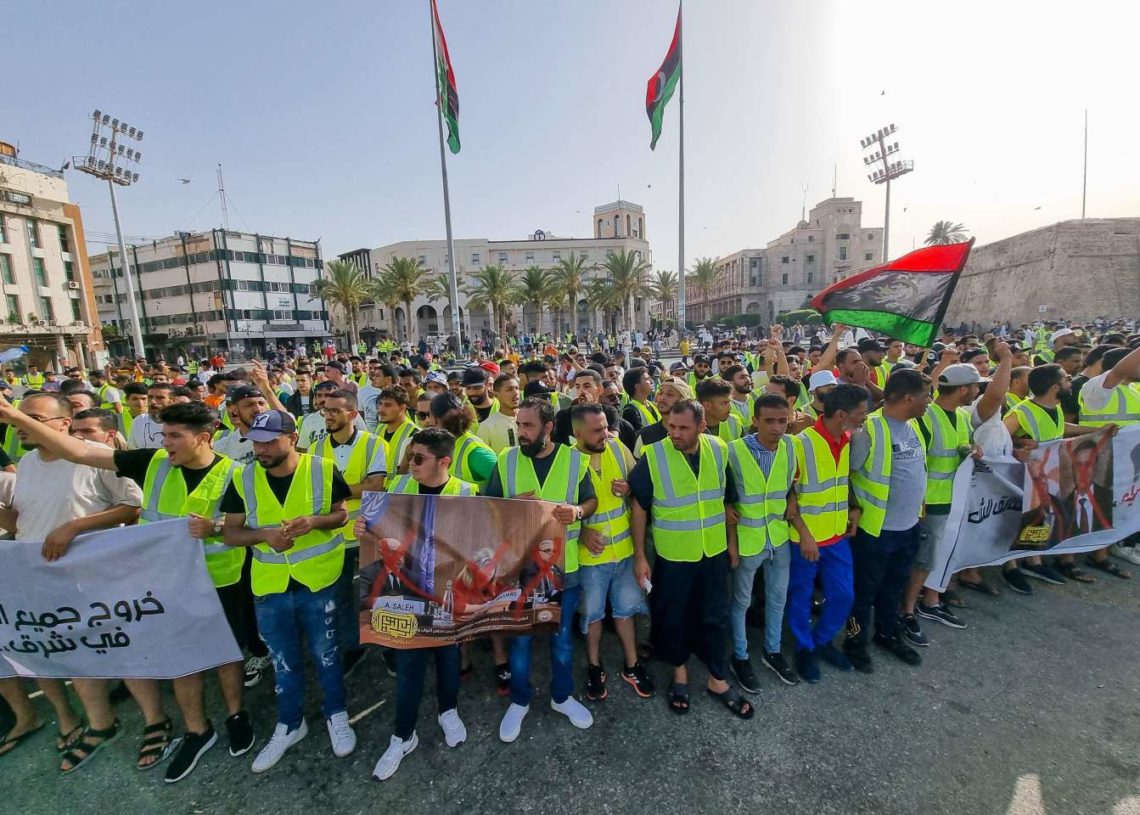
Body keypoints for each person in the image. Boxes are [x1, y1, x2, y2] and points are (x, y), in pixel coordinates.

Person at [0, 393, 148, 773]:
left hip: (92, 575)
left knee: (119, 649)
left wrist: (74, 527)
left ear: (63, 424)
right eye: (18, 417)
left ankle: (155, 721)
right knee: (74, 651)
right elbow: (25, 522)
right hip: (42, 575)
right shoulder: (27, 464)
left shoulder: (94, 457)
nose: (19, 426)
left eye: (32, 418)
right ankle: (101, 723)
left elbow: (133, 505)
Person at [220, 410, 357, 773]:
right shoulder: (243, 477)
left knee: (327, 654)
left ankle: (336, 713)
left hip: (319, 581)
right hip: (271, 585)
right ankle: (290, 723)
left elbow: (341, 515)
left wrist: (314, 522)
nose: (261, 449)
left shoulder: (322, 469)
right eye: (256, 442)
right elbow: (230, 532)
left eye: (269, 442)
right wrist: (263, 535)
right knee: (283, 660)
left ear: (292, 438)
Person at [630, 399, 754, 718]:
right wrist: (640, 556)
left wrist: (732, 544)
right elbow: (639, 507)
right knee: (675, 617)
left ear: (701, 426)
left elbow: (726, 501)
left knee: (715, 616)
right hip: (674, 557)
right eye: (671, 426)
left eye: (683, 428)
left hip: (713, 553)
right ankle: (680, 675)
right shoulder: (654, 456)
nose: (675, 433)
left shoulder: (719, 449)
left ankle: (717, 679)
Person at [483, 398, 598, 742]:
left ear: (548, 428)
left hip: (565, 570)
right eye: (518, 425)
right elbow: (488, 506)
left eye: (528, 426)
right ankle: (520, 701)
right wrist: (510, 506)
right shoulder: (507, 460)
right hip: (520, 569)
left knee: (562, 644)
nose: (521, 432)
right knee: (520, 643)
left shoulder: (574, 460)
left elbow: (591, 500)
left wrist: (578, 511)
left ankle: (562, 697)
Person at [362, 428, 473, 781]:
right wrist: (363, 529)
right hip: (406, 597)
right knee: (409, 667)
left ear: (444, 461)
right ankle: (403, 735)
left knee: (449, 658)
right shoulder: (398, 489)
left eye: (419, 458)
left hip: (448, 596)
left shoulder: (467, 492)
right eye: (411, 456)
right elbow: (376, 534)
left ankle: (448, 711)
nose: (411, 464)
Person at [842, 369, 931, 673]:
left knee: (893, 587)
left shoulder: (913, 426)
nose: (928, 402)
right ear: (908, 398)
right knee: (864, 591)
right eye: (925, 396)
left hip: (908, 526)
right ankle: (855, 642)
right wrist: (852, 508)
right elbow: (846, 474)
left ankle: (887, 633)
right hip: (876, 529)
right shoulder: (870, 430)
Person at [725, 393, 809, 692]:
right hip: (747, 539)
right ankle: (740, 656)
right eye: (769, 421)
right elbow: (723, 494)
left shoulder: (791, 446)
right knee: (741, 601)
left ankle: (772, 651)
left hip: (778, 537)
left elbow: (789, 484)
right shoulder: (734, 451)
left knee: (777, 598)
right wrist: (731, 540)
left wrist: (793, 497)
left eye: (783, 421)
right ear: (755, 421)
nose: (777, 428)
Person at [571, 403, 654, 700]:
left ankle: (632, 665)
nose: (605, 434)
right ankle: (594, 666)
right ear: (578, 433)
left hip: (626, 552)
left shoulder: (618, 447)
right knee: (592, 616)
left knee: (625, 611)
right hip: (591, 559)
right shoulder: (567, 461)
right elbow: (558, 511)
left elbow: (637, 490)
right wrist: (581, 533)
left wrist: (629, 488)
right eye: (597, 430)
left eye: (606, 426)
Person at [786, 384, 868, 683]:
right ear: (842, 414)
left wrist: (853, 508)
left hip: (836, 536)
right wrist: (805, 535)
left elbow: (841, 482)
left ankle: (821, 641)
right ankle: (804, 648)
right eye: (861, 413)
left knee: (844, 595)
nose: (865, 418)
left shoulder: (846, 439)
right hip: (804, 540)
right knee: (801, 596)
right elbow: (786, 496)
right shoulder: (800, 444)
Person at [311, 389, 387, 676]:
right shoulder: (316, 448)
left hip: (369, 532)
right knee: (341, 597)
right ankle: (353, 647)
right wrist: (356, 488)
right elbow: (312, 490)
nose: (327, 415)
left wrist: (333, 491)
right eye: (325, 410)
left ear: (353, 414)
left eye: (334, 411)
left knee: (379, 593)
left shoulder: (373, 443)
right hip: (334, 536)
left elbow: (375, 486)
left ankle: (389, 647)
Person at [478, 374, 521, 453]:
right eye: (509, 390)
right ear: (496, 395)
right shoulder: (487, 426)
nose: (516, 393)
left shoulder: (530, 420)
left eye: (517, 388)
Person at [377, 387, 418, 467]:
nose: (381, 409)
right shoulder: (380, 428)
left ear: (402, 408)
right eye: (380, 404)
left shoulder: (415, 433)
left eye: (387, 405)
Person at [696, 378, 743, 442]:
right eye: (725, 403)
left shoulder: (735, 422)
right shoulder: (691, 429)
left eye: (730, 402)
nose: (730, 408)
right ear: (707, 406)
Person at [128, 382, 172, 449]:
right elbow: (132, 449)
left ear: (172, 400)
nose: (153, 401)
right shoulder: (139, 420)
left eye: (160, 398)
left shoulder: (180, 424)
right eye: (150, 397)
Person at [621, 367, 661, 433]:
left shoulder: (652, 405)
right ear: (637, 386)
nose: (651, 381)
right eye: (647, 379)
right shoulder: (630, 411)